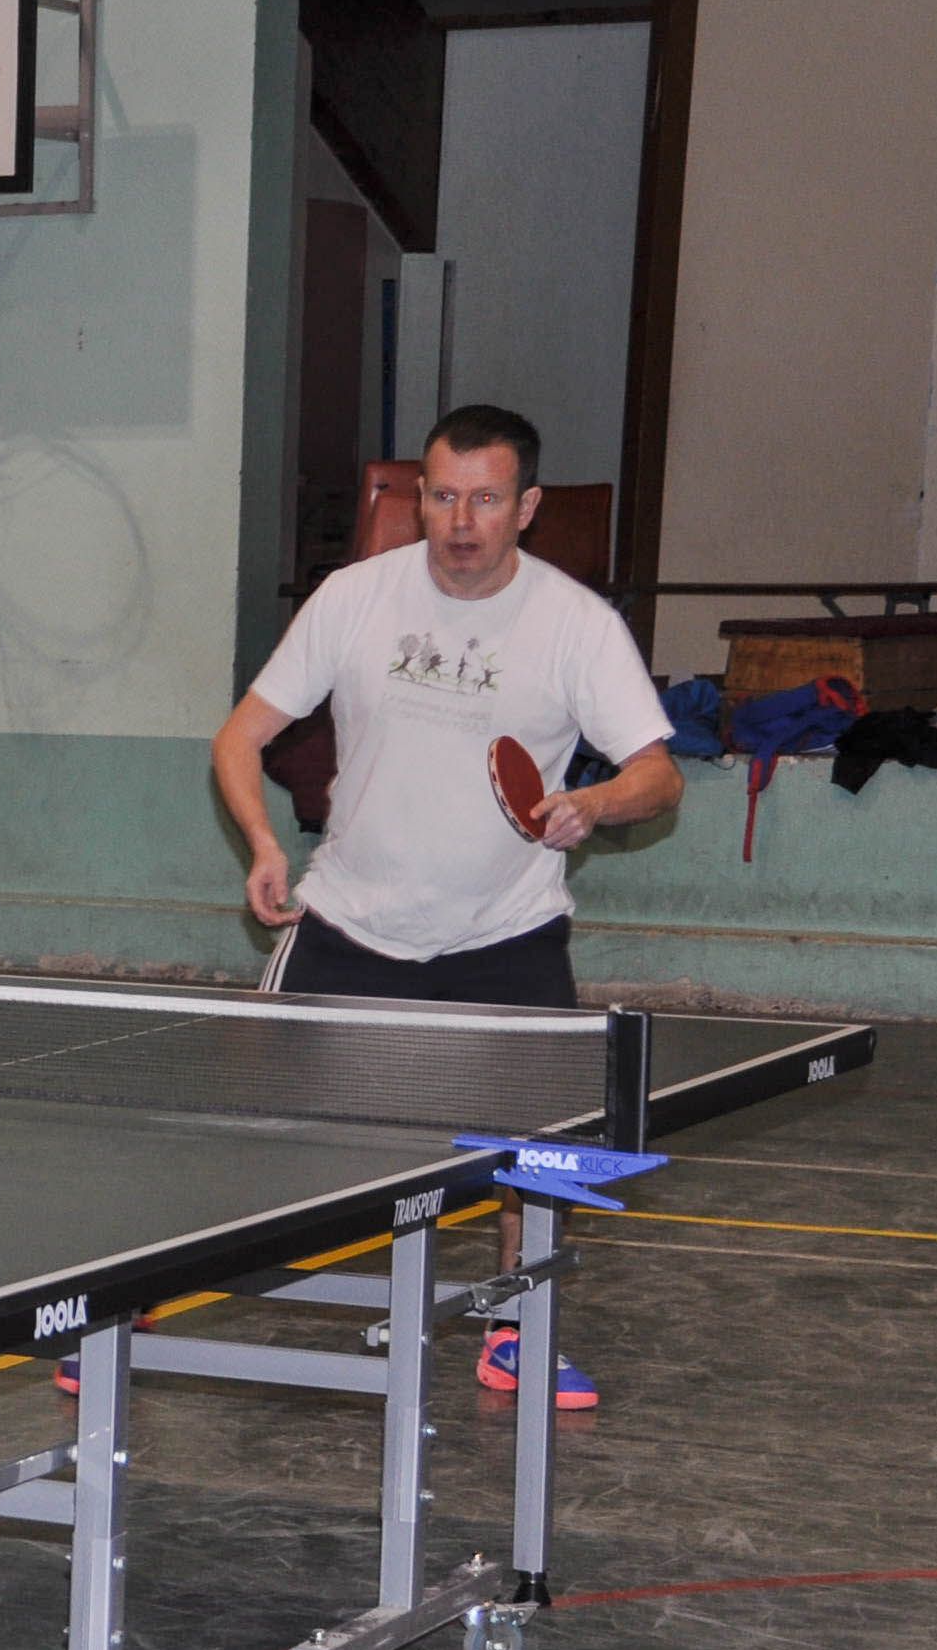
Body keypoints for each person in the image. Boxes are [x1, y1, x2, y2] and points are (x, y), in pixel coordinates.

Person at [214, 403, 685, 1407]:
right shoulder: (355, 597)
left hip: (504, 934)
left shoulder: (576, 625)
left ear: (527, 507)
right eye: (442, 496)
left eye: (486, 498)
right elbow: (240, 736)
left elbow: (659, 775)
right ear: (417, 498)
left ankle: (517, 1328)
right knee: (239, 1141)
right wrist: (263, 843)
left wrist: (596, 803)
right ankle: (130, 1311)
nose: (461, 520)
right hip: (346, 924)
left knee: (545, 1157)